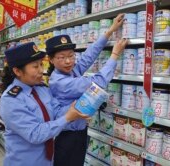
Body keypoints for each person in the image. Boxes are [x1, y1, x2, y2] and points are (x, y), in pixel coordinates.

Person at [46, 14, 127, 166]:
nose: (68, 61)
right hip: (68, 136)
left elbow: (88, 57)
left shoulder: (69, 71)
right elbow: (97, 83)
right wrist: (115, 54)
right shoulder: (60, 81)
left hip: (79, 131)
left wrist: (110, 31)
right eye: (61, 57)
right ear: (51, 60)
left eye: (71, 55)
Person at [0, 42, 89, 166]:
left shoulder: (41, 89)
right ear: (17, 71)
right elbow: (35, 134)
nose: (41, 70)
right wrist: (68, 117)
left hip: (48, 161)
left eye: (41, 64)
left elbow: (56, 112)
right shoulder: (11, 100)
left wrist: (79, 106)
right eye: (35, 67)